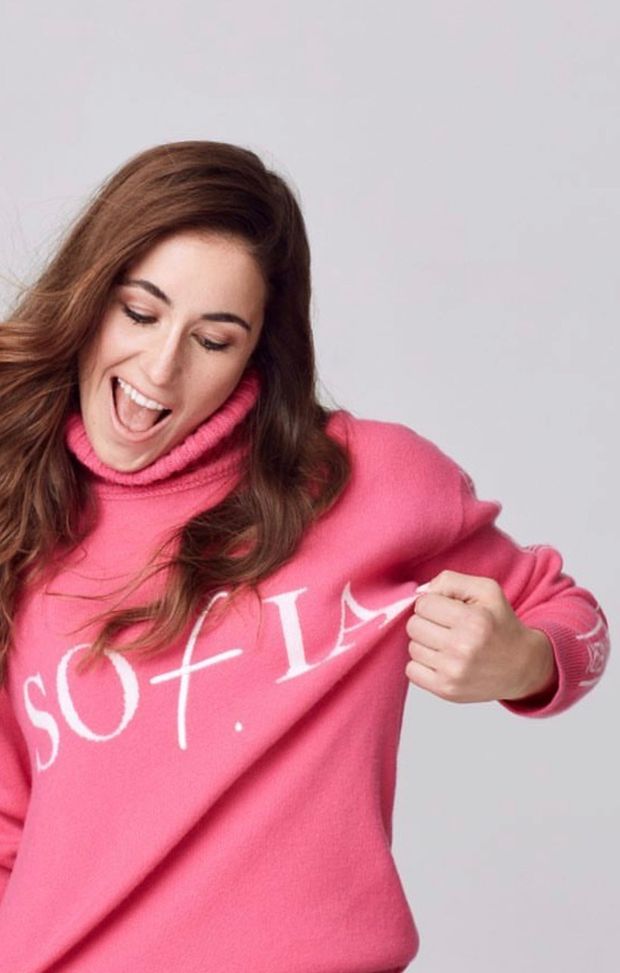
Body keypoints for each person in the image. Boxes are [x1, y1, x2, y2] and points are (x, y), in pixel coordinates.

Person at [0, 140, 610, 973]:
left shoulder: (367, 482)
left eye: (213, 339)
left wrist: (529, 661)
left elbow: (575, 618)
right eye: (140, 313)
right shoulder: (21, 519)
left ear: (258, 351)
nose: (160, 367)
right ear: (87, 298)